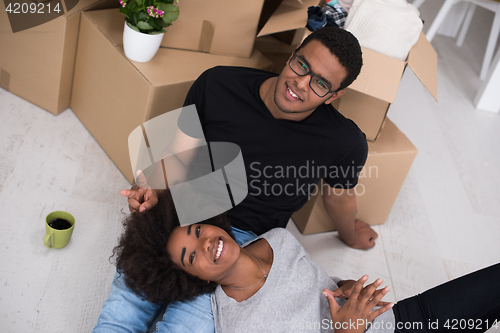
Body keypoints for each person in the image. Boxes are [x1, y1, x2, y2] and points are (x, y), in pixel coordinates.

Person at [95, 27, 377, 332]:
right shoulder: (219, 84)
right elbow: (178, 154)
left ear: (334, 95)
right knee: (118, 318)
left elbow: (338, 197)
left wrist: (350, 235)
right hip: (183, 218)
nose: (301, 83)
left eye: (320, 83)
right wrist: (153, 189)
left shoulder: (344, 141)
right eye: (302, 65)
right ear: (293, 54)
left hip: (244, 246)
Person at [113, 190, 500, 333]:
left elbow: (322, 284)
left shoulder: (277, 239)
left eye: (198, 231)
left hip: (404, 319)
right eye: (191, 256)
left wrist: (345, 285)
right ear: (186, 277)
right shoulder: (238, 323)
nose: (206, 243)